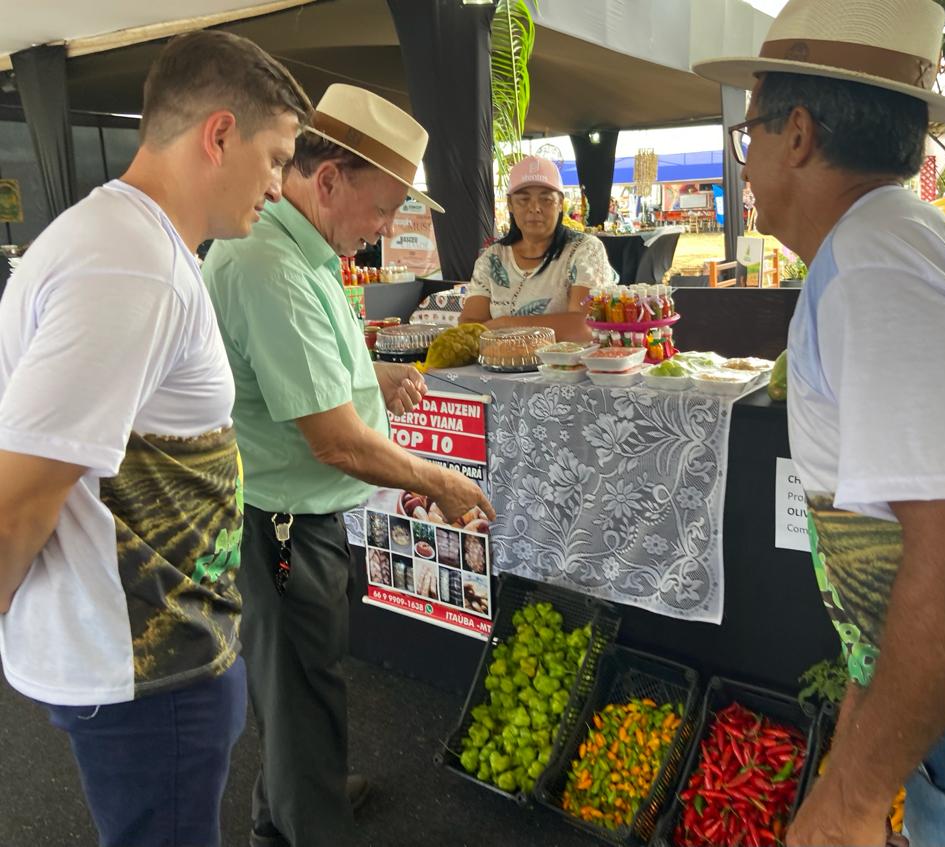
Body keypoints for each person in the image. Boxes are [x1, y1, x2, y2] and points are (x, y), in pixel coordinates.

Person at [694, 1, 945, 846]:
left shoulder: (878, 272)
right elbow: (893, 547)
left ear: (796, 133)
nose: (747, 162)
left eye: (750, 134)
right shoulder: (892, 247)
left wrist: (847, 801)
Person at [0, 30, 309, 847]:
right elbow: (18, 498)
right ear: (218, 134)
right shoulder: (130, 265)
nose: (279, 187)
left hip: (148, 659)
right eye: (276, 158)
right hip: (144, 675)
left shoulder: (128, 245)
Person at [202, 83, 494, 847]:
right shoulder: (273, 264)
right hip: (281, 525)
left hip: (283, 513)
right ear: (327, 179)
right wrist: (440, 480)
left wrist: (371, 374)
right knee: (303, 687)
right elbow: (333, 440)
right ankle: (310, 817)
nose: (387, 227)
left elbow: (299, 365)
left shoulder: (300, 244)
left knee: (298, 683)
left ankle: (295, 797)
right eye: (385, 206)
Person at [459, 155, 615, 342]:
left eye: (546, 200)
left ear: (560, 204)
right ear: (510, 204)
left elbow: (586, 326)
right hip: (501, 368)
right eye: (523, 200)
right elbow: (469, 328)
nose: (535, 208)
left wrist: (507, 324)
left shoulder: (584, 250)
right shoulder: (492, 258)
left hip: (569, 369)